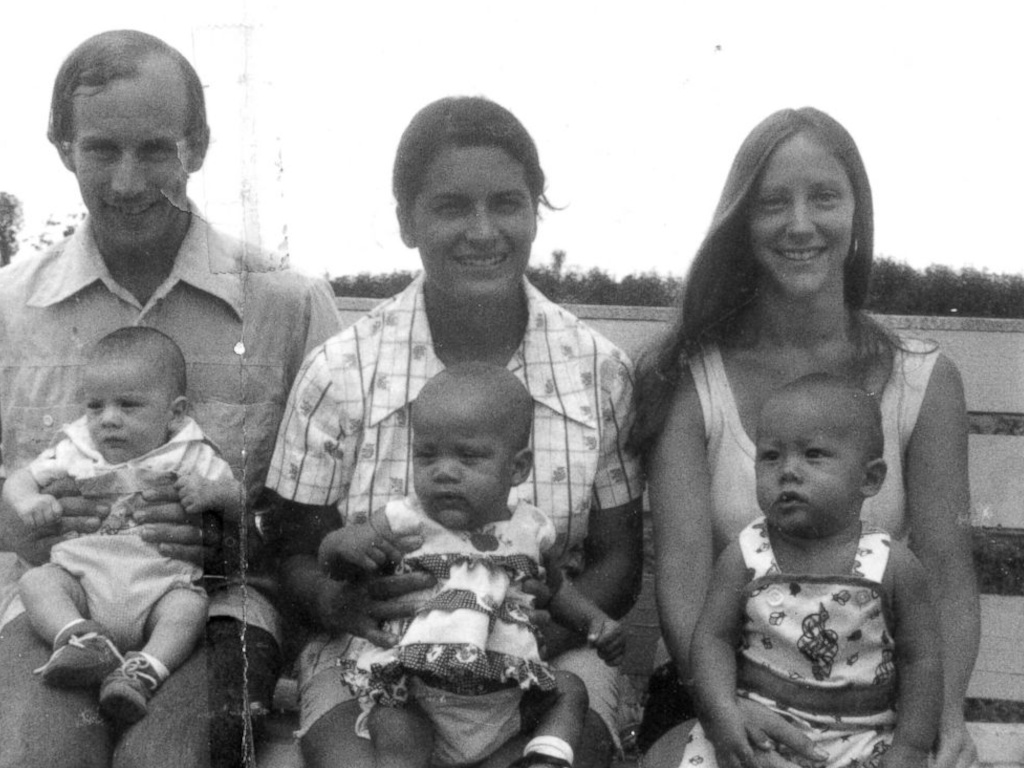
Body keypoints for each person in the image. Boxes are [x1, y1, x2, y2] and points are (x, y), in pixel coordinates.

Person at [264, 95, 644, 768]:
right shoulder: (339, 370)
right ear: (407, 222)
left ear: (535, 210)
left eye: (507, 203)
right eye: (449, 207)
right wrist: (338, 601)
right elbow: (294, 547)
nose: (482, 230)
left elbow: (618, 558)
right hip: (373, 658)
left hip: (544, 658)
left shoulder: (599, 371)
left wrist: (518, 636)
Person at [0, 30, 340, 768]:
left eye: (155, 149)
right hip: (47, 606)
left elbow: (325, 525)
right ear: (62, 146)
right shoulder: (8, 310)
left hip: (215, 607)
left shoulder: (286, 305)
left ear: (199, 145)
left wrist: (227, 529)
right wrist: (30, 519)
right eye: (101, 150)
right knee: (34, 755)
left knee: (170, 759)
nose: (126, 182)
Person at [629, 107, 979, 768]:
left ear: (856, 216)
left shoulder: (922, 380)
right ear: (742, 225)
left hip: (879, 716)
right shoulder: (690, 379)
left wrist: (942, 720)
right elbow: (685, 583)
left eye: (823, 197)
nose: (799, 224)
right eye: (772, 204)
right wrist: (728, 708)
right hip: (728, 695)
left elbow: (949, 573)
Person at [322, 363, 625, 768]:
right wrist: (344, 546)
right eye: (426, 455)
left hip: (505, 694)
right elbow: (330, 552)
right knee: (397, 731)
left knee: (570, 690)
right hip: (419, 692)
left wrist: (595, 621)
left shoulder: (532, 528)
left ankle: (546, 760)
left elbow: (556, 590)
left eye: (468, 457)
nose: (444, 471)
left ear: (518, 468)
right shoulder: (407, 517)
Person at [684, 374, 941, 768]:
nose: (788, 471)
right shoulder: (746, 555)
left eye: (814, 454)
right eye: (770, 456)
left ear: (869, 479)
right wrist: (722, 713)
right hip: (758, 732)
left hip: (864, 738)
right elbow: (713, 640)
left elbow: (920, 659)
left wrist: (911, 747)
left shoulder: (892, 565)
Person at [6, 328, 238, 724]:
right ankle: (80, 637)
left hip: (160, 586)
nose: (108, 420)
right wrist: (30, 500)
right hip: (80, 581)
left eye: (128, 406)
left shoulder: (190, 454)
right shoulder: (77, 449)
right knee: (37, 583)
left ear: (175, 412)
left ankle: (143, 670)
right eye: (95, 407)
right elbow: (21, 478)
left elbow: (239, 497)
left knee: (190, 607)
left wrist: (212, 494)